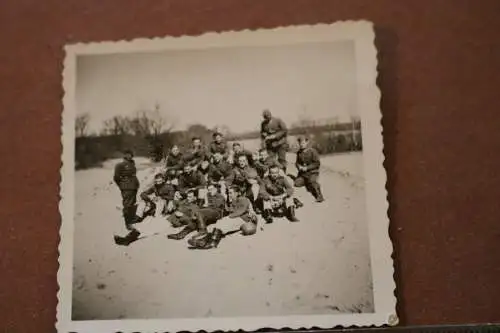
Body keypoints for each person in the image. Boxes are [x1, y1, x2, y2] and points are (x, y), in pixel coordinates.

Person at [189, 185, 258, 249]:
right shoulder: (233, 201)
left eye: (231, 193)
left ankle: (212, 243)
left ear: (237, 193)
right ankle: (204, 240)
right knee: (220, 223)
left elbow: (240, 211)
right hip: (236, 217)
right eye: (228, 193)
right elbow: (229, 210)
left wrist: (229, 217)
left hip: (243, 219)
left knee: (225, 224)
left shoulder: (243, 199)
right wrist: (227, 204)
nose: (229, 194)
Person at [113, 149, 140, 230]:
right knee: (127, 204)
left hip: (133, 186)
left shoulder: (132, 163)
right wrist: (122, 186)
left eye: (131, 154)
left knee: (132, 203)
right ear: (124, 155)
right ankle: (128, 223)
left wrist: (136, 184)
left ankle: (132, 219)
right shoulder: (120, 165)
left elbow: (133, 175)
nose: (129, 156)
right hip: (126, 187)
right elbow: (116, 177)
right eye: (127, 154)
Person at [294, 136, 324, 202]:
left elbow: (317, 163)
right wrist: (299, 167)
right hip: (303, 174)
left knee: (312, 182)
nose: (301, 144)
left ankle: (319, 196)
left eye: (303, 143)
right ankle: (308, 182)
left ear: (307, 142)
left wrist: (307, 168)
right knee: (297, 183)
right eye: (300, 143)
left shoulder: (312, 151)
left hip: (313, 172)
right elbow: (296, 163)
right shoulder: (299, 153)